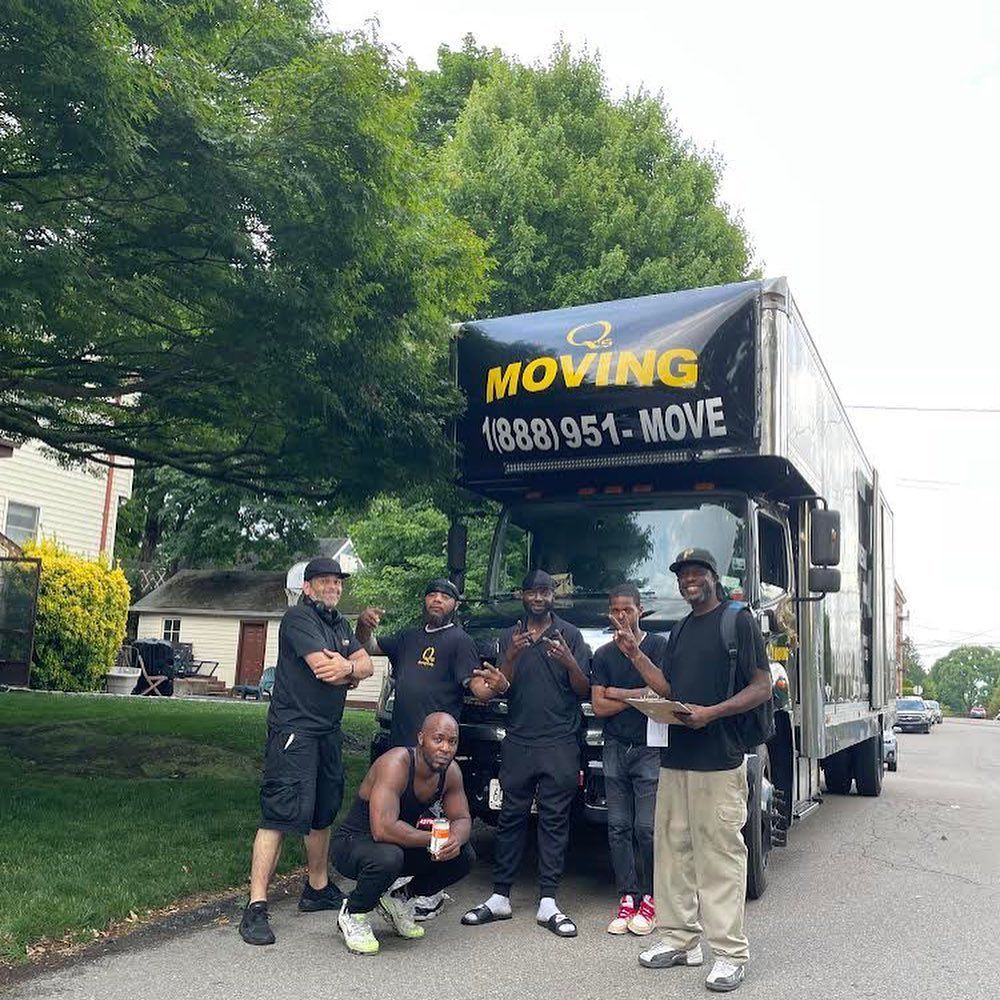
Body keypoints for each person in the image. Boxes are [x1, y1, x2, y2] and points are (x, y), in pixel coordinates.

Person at [637, 548, 772, 993]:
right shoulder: (679, 629)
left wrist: (713, 713)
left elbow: (761, 685)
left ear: (713, 577)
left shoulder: (737, 620)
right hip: (677, 758)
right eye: (682, 575)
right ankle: (680, 941)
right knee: (673, 852)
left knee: (719, 857)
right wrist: (634, 655)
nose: (688, 580)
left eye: (696, 572)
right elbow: (671, 688)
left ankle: (730, 954)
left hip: (720, 758)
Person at [239, 557, 374, 947]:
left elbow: (361, 665)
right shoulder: (298, 620)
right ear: (308, 587)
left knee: (321, 813)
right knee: (279, 814)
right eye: (325, 582)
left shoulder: (340, 624)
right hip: (293, 733)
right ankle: (256, 907)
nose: (333, 587)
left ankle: (317, 889)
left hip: (328, 732)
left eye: (338, 582)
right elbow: (323, 669)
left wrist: (348, 667)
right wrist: (350, 669)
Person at [355, 577, 498, 920]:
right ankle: (391, 882)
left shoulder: (459, 641)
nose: (437, 600)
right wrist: (362, 626)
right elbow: (370, 646)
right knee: (396, 818)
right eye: (432, 594)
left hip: (434, 754)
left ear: (455, 605)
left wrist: (494, 686)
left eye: (445, 596)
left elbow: (475, 686)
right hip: (401, 746)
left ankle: (427, 891)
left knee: (433, 822)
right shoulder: (407, 636)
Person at [461, 569, 591, 938]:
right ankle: (500, 895)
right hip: (518, 739)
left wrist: (568, 661)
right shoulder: (509, 636)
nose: (538, 597)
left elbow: (583, 689)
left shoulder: (571, 635)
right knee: (510, 818)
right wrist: (512, 657)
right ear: (523, 595)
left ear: (554, 595)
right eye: (532, 591)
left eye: (545, 591)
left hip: (560, 741)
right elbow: (502, 685)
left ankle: (548, 900)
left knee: (554, 820)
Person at [331, 712, 475, 955]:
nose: (445, 748)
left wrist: (455, 840)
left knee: (463, 856)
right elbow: (383, 829)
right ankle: (354, 912)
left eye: (452, 741)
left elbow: (461, 819)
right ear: (421, 738)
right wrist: (433, 840)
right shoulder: (395, 764)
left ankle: (399, 899)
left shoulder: (451, 773)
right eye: (438, 739)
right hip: (354, 844)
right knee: (389, 857)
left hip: (399, 844)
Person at [590, 583, 670, 936]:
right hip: (614, 746)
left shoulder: (657, 647)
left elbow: (664, 690)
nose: (622, 616)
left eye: (628, 609)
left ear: (640, 610)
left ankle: (651, 898)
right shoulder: (604, 655)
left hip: (650, 746)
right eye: (616, 610)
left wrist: (621, 692)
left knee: (647, 828)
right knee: (618, 827)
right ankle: (627, 897)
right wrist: (639, 695)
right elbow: (598, 706)